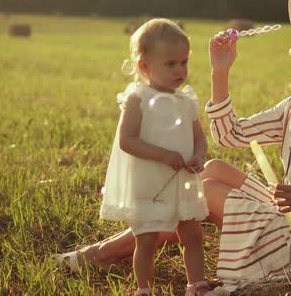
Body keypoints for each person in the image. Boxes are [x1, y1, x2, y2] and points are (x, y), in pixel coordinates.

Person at [58, 0, 291, 293]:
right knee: (212, 168)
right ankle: (106, 252)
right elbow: (230, 134)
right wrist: (220, 71)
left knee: (205, 190)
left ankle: (101, 254)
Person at [57, 18, 215, 296]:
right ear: (144, 66)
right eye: (170, 64)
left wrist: (199, 156)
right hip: (150, 183)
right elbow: (127, 140)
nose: (180, 70)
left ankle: (197, 284)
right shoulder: (138, 98)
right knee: (147, 240)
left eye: (184, 62)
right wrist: (165, 155)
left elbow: (199, 139)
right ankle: (144, 288)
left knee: (193, 234)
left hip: (183, 181)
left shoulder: (186, 100)